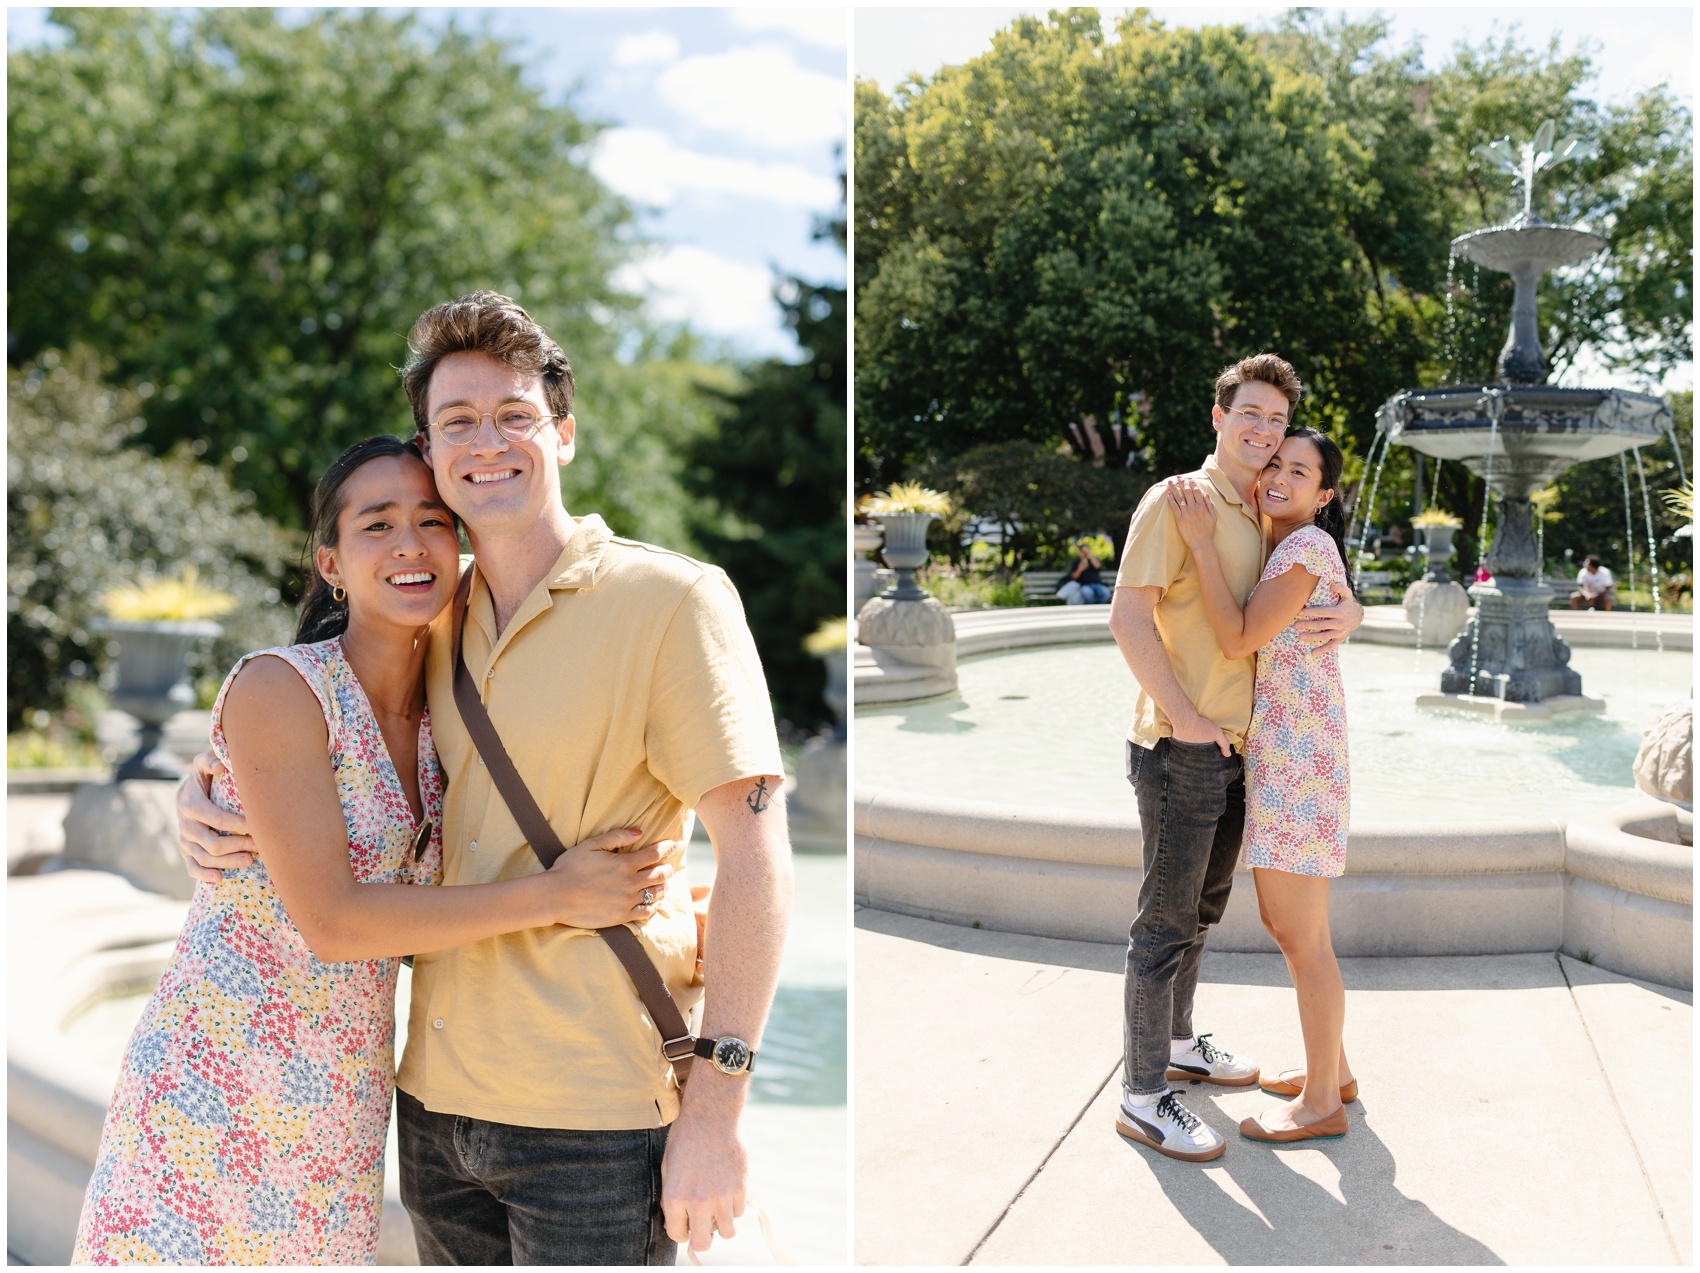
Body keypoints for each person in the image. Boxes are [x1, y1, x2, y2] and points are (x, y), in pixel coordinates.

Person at [177, 292, 792, 1264]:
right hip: (430, 1105)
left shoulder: (671, 599)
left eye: (514, 414)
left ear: (564, 433)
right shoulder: (431, 616)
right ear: (431, 448)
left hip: (595, 1111)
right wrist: (202, 787)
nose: (487, 440)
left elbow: (758, 859)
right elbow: (313, 723)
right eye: (457, 421)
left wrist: (715, 1111)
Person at [74, 437, 673, 1265]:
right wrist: (559, 894)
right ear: (331, 560)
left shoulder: (449, 713)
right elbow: (333, 919)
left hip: (339, 1101)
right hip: (216, 1083)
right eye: (377, 523)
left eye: (432, 519)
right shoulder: (283, 687)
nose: (407, 542)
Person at [1106, 353, 1361, 1163]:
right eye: (1251, 416)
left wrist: (1350, 605)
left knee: (1201, 915)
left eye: (1281, 427)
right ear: (1219, 416)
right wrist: (1183, 715)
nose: (1267, 437)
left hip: (1250, 752)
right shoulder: (1179, 499)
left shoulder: (1262, 511)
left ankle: (1181, 1044)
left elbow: (1298, 594)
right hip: (1185, 743)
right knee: (1165, 924)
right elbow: (1127, 616)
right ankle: (1145, 1094)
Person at [1167, 426, 1356, 1143]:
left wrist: (1201, 544)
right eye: (1275, 461)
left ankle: (1320, 1105)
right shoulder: (1292, 548)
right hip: (1289, 759)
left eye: (1299, 470)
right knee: (1291, 928)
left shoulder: (1306, 546)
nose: (1279, 475)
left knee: (1304, 939)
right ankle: (1331, 1072)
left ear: (1323, 494)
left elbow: (1241, 637)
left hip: (1299, 767)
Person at [1056, 540, 1111, 604]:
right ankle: (1091, 608)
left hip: (1097, 584)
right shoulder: (1077, 563)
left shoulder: (1093, 560)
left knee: (1105, 594)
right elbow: (1074, 577)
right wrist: (1081, 568)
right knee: (1087, 593)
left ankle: (1097, 607)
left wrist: (1089, 555)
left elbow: (1097, 566)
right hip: (1084, 585)